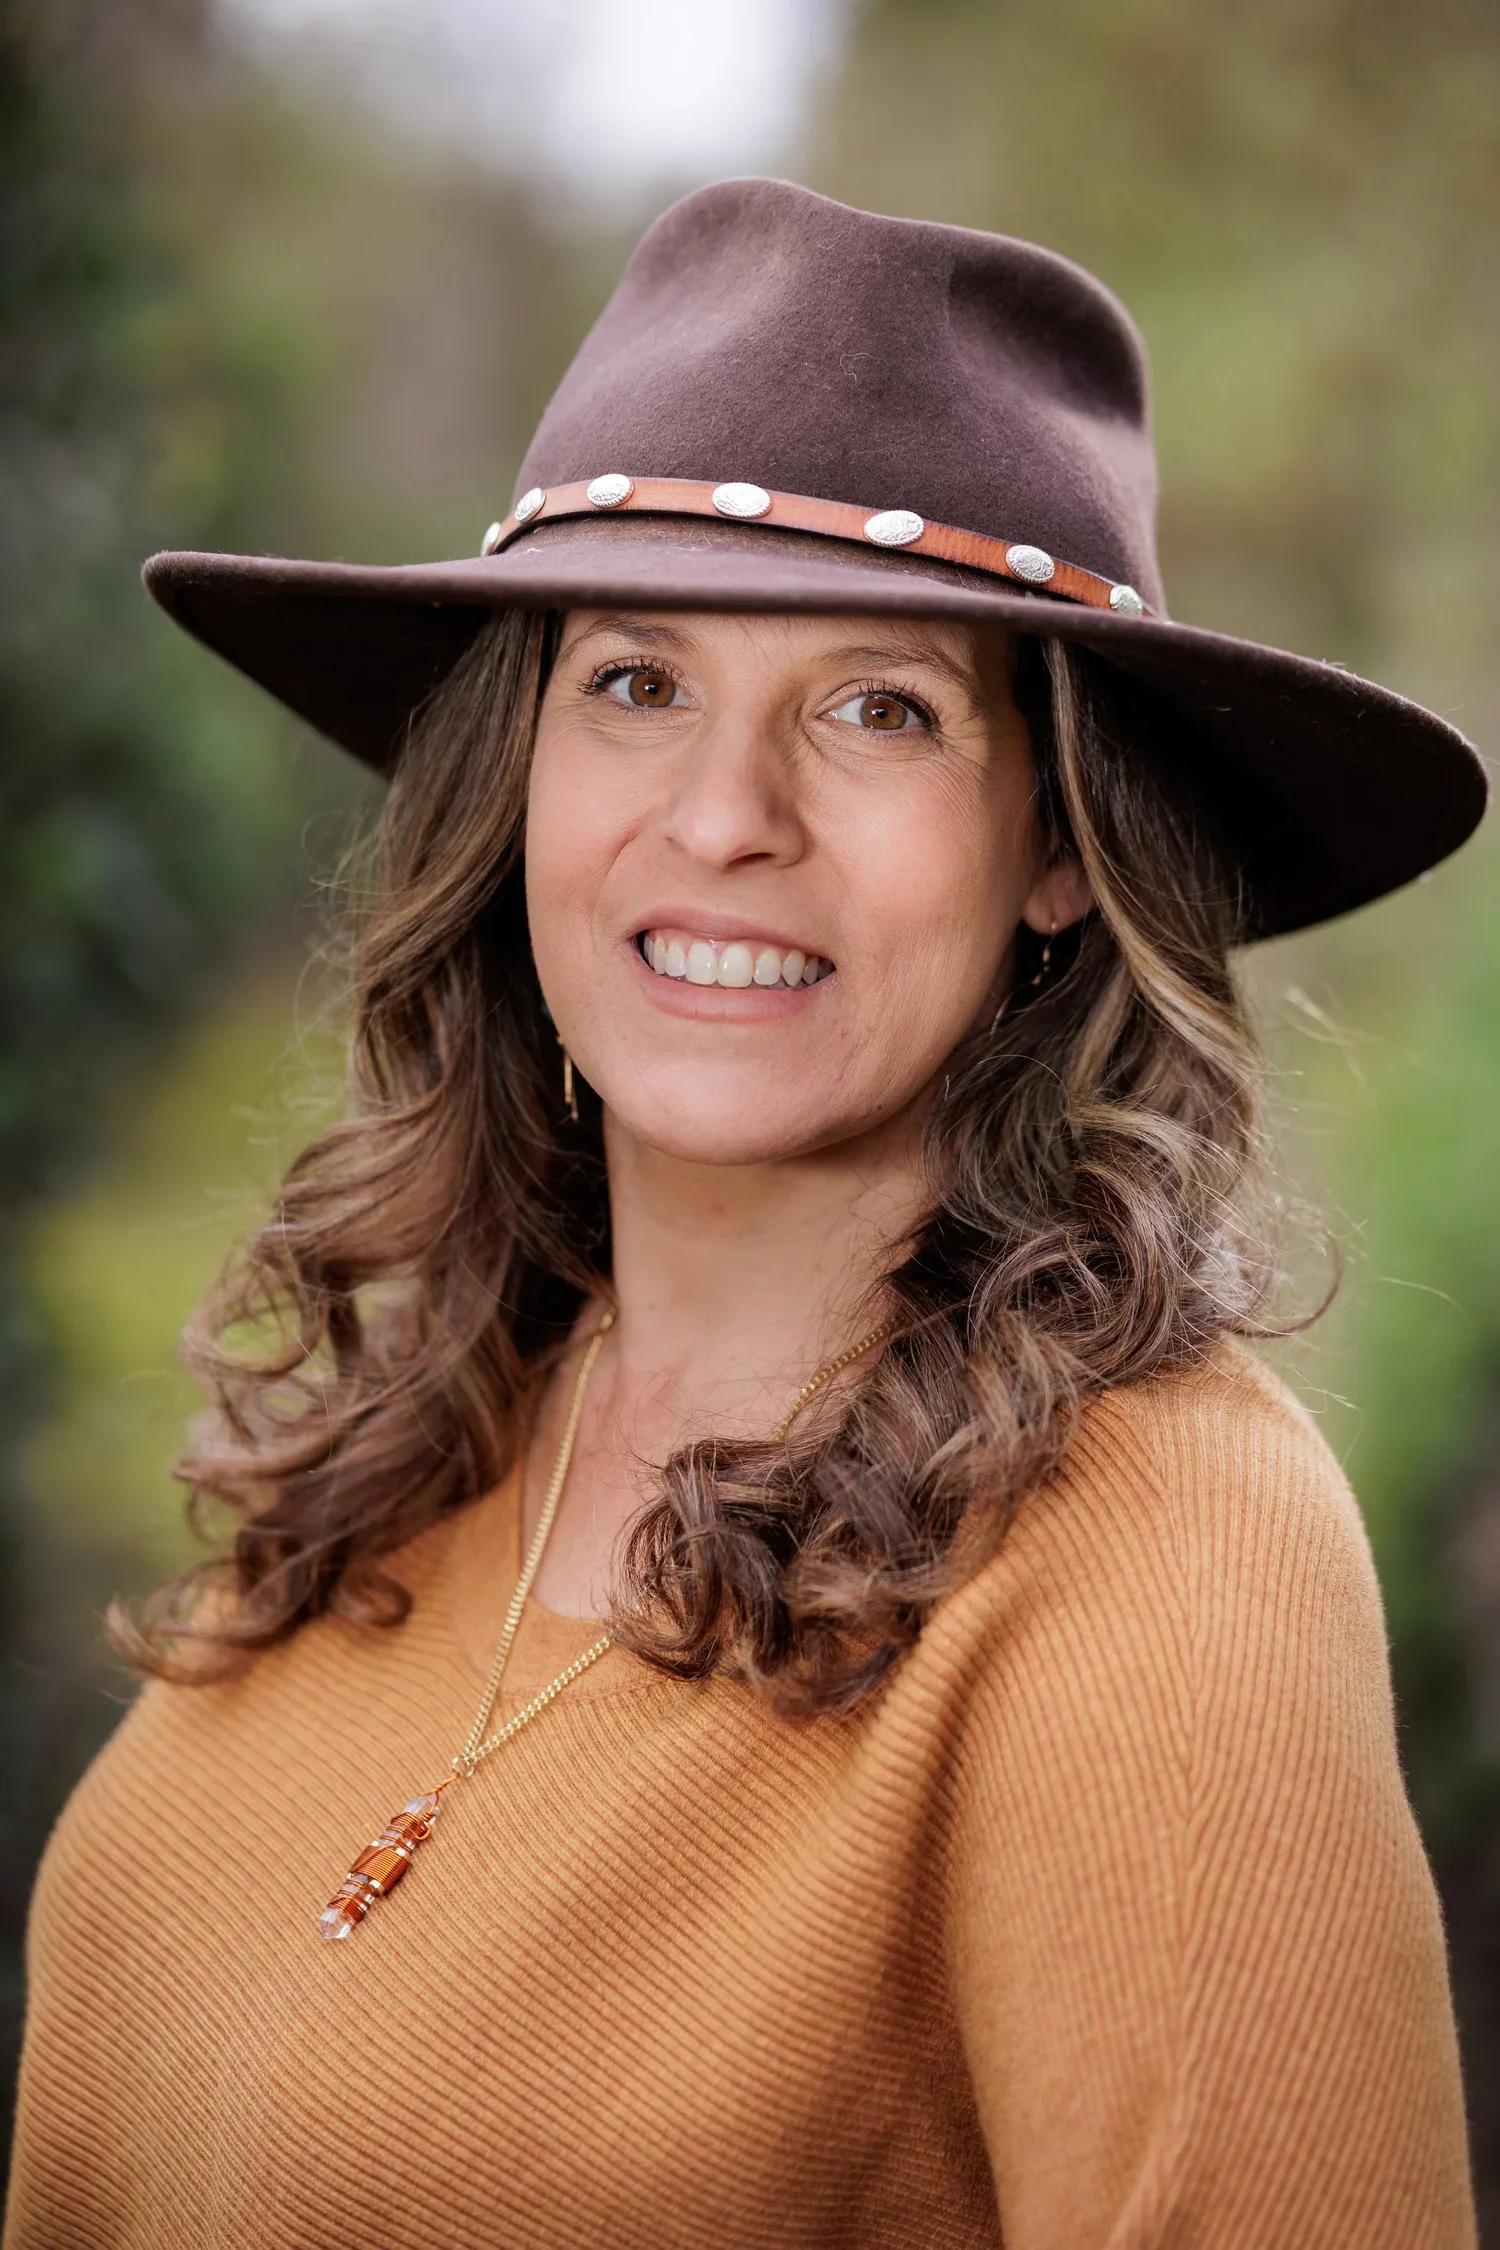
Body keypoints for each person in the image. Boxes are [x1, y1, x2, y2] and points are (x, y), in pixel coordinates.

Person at [5, 179, 1485, 2250]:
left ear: (1059, 844)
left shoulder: (1152, 1559)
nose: (722, 816)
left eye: (881, 706)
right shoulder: (410, 1434)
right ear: (513, 774)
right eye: (634, 681)